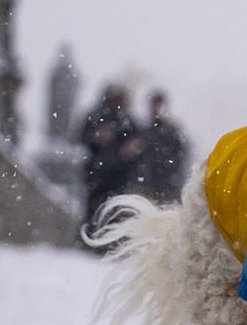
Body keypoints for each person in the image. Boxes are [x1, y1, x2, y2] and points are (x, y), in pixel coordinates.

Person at [79, 84, 141, 228]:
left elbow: (137, 144)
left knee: (116, 209)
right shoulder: (96, 116)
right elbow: (82, 137)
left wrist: (130, 148)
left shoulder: (127, 120)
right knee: (94, 208)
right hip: (97, 172)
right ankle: (91, 236)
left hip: (119, 174)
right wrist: (95, 138)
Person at [137, 90, 189, 204]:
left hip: (166, 185)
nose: (155, 109)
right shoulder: (142, 130)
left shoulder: (172, 131)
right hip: (147, 185)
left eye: (158, 105)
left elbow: (180, 155)